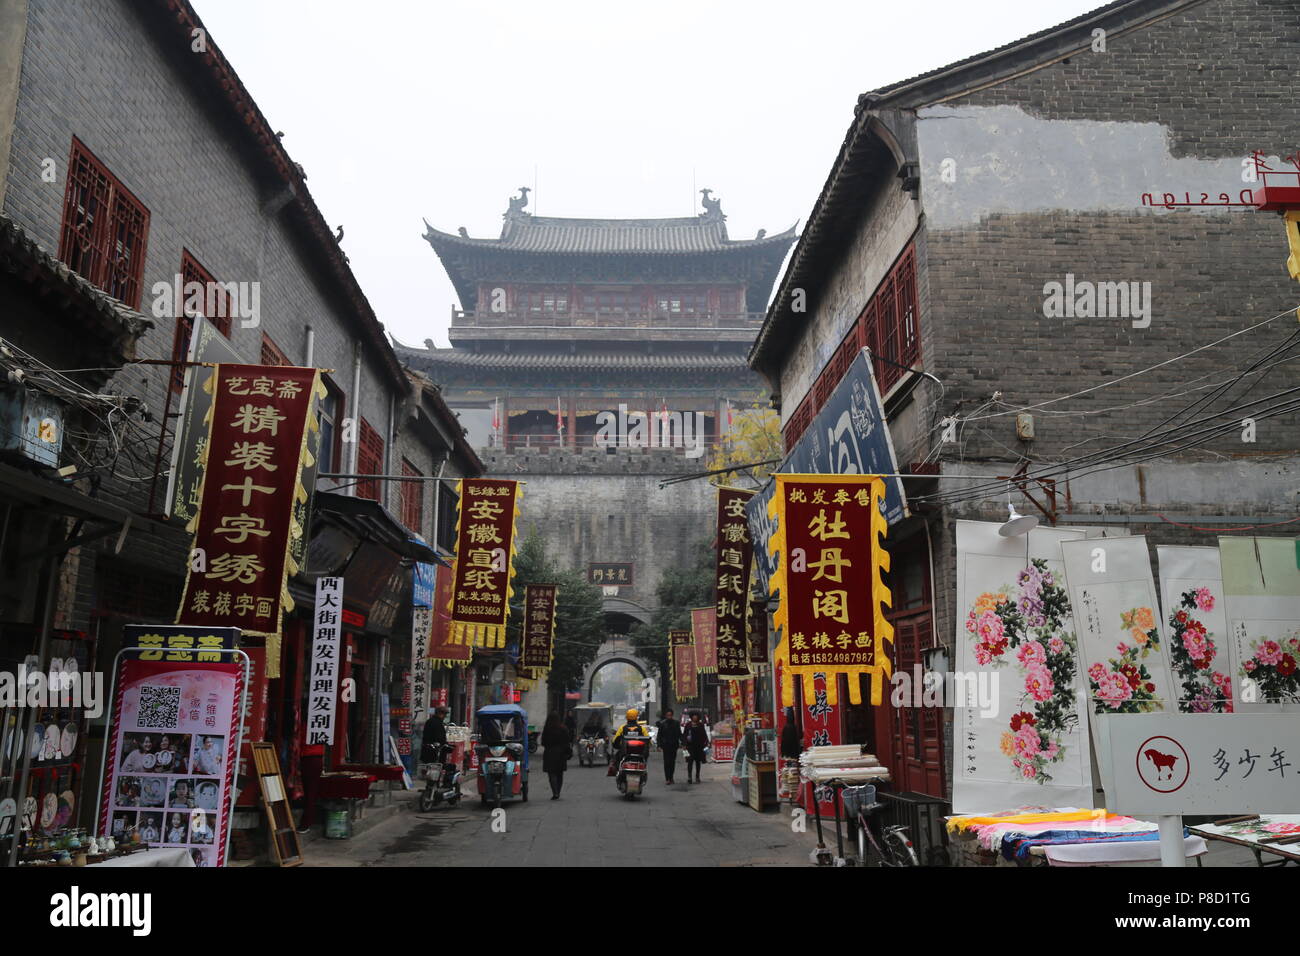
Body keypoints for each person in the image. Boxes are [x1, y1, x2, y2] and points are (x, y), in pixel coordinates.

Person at [541, 712, 571, 799]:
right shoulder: (563, 728)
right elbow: (567, 741)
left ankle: (555, 792)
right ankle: (558, 791)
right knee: (559, 773)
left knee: (552, 774)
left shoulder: (547, 729)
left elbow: (543, 742)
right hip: (561, 754)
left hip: (549, 753)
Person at [655, 708, 682, 785]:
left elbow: (679, 734)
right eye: (668, 715)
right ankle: (667, 778)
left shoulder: (676, 723)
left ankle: (671, 777)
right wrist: (659, 745)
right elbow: (659, 736)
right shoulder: (662, 724)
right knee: (667, 762)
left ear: (672, 715)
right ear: (666, 716)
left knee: (672, 762)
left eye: (670, 715)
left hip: (674, 745)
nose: (669, 716)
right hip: (666, 745)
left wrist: (683, 743)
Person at [683, 712, 709, 783]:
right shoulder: (688, 725)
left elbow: (704, 734)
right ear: (691, 717)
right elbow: (685, 735)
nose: (695, 717)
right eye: (693, 716)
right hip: (690, 746)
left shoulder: (700, 725)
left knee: (698, 762)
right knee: (690, 761)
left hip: (699, 746)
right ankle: (689, 777)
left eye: (696, 716)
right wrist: (684, 744)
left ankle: (697, 776)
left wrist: (706, 743)